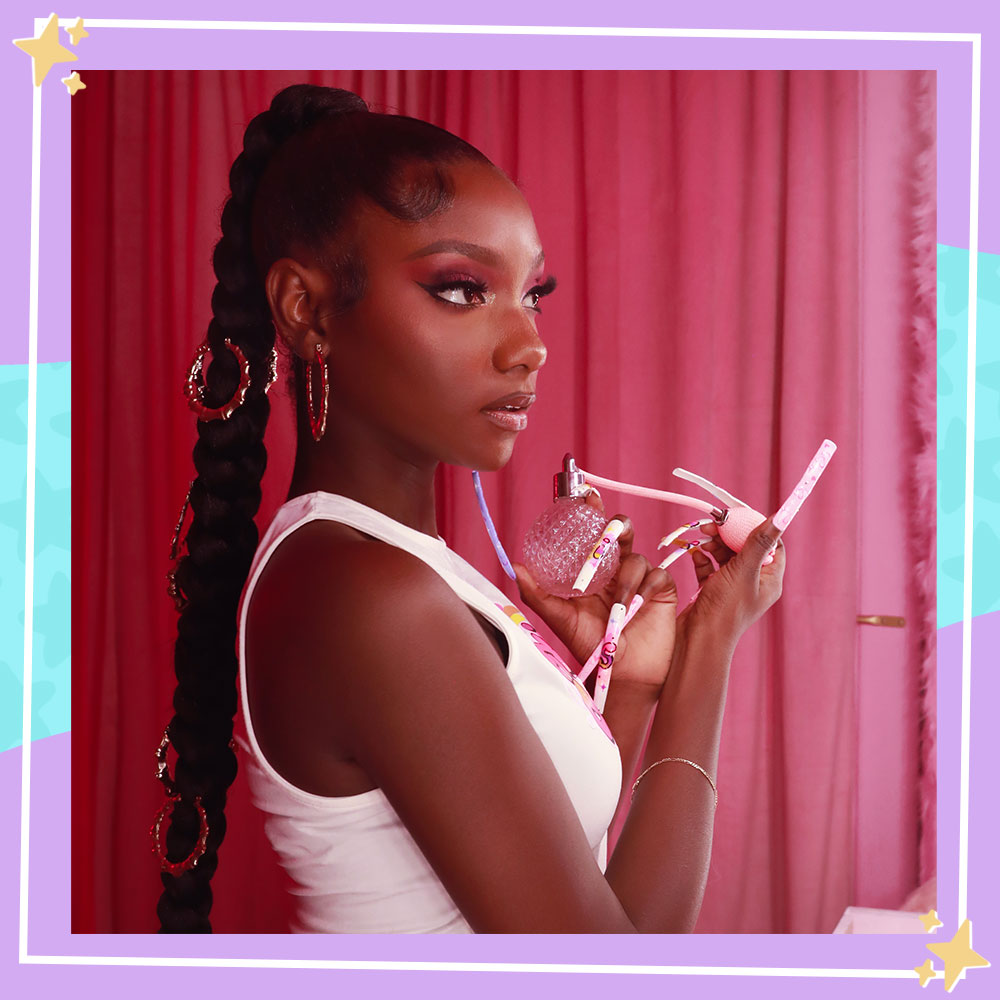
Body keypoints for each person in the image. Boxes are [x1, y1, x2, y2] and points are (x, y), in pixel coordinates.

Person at [157, 83, 785, 934]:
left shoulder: (399, 565)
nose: (529, 345)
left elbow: (578, 876)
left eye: (533, 293)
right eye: (461, 289)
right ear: (306, 312)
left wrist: (632, 684)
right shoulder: (368, 596)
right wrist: (711, 646)